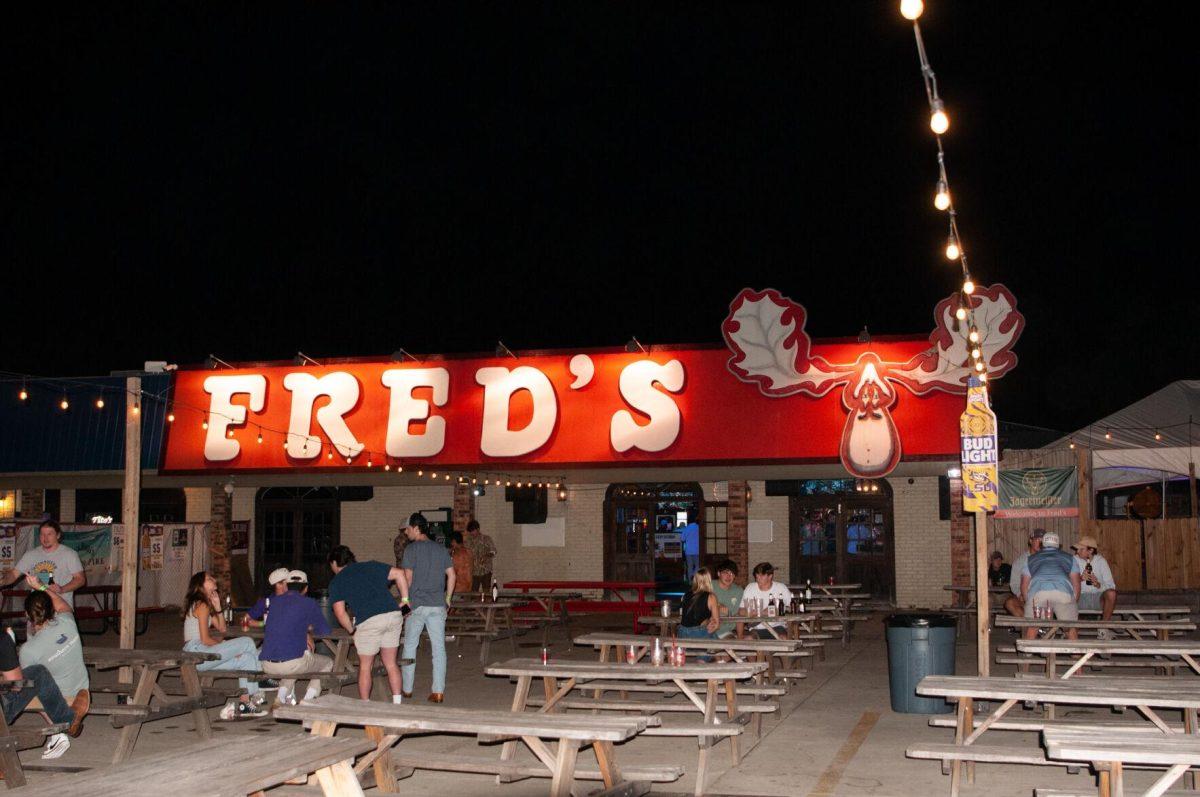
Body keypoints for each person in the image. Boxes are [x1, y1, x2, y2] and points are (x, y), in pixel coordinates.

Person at [327, 544, 410, 703]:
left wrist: (352, 630)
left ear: (335, 563)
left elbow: (340, 613)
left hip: (369, 620)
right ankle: (397, 704)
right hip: (393, 615)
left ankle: (365, 705)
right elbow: (400, 573)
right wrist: (405, 601)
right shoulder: (371, 565)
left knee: (365, 666)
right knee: (391, 663)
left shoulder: (337, 581)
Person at [182, 571, 267, 719]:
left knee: (246, 659)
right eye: (209, 579)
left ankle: (244, 703)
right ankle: (261, 681)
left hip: (201, 656)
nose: (213, 579)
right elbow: (205, 639)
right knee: (246, 641)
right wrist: (230, 649)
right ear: (200, 586)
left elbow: (222, 629)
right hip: (195, 654)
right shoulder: (201, 604)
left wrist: (218, 606)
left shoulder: (206, 604)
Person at [19, 574, 90, 737]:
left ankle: (58, 728)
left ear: (27, 615)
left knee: (18, 686)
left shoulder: (28, 649)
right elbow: (63, 605)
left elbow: (27, 686)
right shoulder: (67, 622)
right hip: (82, 690)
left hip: (59, 699)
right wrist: (41, 586)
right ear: (52, 609)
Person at [248, 569, 331, 706]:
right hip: (292, 663)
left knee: (294, 659)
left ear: (286, 585)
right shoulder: (309, 603)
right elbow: (324, 630)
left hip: (266, 664)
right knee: (327, 662)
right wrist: (308, 628)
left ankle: (280, 697)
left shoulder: (271, 603)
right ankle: (309, 700)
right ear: (306, 588)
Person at [2, 623, 79, 760]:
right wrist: (9, 652)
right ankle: (68, 720)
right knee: (38, 674)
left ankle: (61, 728)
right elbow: (16, 685)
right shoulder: (2, 638)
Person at [400, 512, 455, 703]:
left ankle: (407, 688)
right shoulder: (441, 549)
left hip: (417, 605)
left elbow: (408, 578)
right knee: (439, 648)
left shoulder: (411, 550)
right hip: (438, 605)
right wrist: (447, 598)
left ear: (416, 528)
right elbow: (452, 575)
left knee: (409, 645)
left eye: (407, 529)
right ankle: (438, 691)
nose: (406, 533)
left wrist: (405, 602)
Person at [3, 519, 86, 608]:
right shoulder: (31, 554)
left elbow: (80, 580)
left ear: (58, 535)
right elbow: (13, 575)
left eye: (49, 534)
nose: (45, 538)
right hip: (37, 610)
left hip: (61, 608)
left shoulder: (70, 554)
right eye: (42, 534)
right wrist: (2, 580)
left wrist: (62, 589)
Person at [1020, 531, 1082, 641]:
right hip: (1063, 593)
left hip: (1038, 593)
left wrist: (1029, 602)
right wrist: (1072, 603)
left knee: (1033, 626)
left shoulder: (1030, 559)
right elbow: (1076, 585)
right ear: (1058, 545)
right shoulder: (1070, 558)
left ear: (1042, 544)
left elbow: (1024, 586)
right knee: (1070, 628)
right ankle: (1075, 655)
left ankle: (1027, 653)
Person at [1072, 535, 1118, 638]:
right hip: (1080, 597)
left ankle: (1103, 628)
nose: (1077, 551)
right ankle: (1071, 631)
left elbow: (1111, 585)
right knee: (1065, 596)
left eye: (1081, 549)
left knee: (1111, 593)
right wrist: (1079, 579)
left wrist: (1098, 584)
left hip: (1098, 597)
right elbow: (1066, 583)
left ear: (1091, 550)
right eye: (1078, 549)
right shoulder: (1073, 560)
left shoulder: (1101, 561)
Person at [738, 562, 793, 639]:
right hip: (756, 627)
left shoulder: (781, 588)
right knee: (749, 639)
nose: (757, 578)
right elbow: (740, 611)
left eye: (761, 576)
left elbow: (790, 608)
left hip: (778, 626)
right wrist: (755, 612)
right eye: (756, 575)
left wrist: (779, 609)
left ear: (770, 576)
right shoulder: (750, 588)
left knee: (784, 638)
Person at [1004, 529, 1044, 618]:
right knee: (1010, 603)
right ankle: (1033, 627)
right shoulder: (1020, 561)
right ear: (1030, 541)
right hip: (1026, 595)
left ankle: (1036, 627)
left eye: (1042, 540)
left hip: (1043, 595)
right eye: (1037, 540)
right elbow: (1014, 584)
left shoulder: (1048, 558)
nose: (1040, 543)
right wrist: (1019, 594)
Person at [679, 568, 721, 641]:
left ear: (695, 580)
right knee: (720, 646)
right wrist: (707, 631)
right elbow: (716, 625)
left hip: (682, 632)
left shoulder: (686, 595)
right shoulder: (711, 597)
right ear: (709, 581)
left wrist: (708, 621)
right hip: (697, 633)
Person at [711, 559, 744, 638]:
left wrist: (740, 638)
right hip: (706, 629)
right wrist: (716, 605)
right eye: (725, 573)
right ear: (719, 573)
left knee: (731, 643)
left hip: (725, 631)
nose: (729, 576)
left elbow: (739, 615)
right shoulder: (709, 586)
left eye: (732, 573)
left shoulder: (738, 591)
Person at [464, 519, 497, 593]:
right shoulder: (468, 541)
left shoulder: (486, 539)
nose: (472, 533)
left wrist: (487, 555)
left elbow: (494, 551)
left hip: (486, 569)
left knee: (486, 591)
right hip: (474, 571)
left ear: (478, 529)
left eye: (473, 530)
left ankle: (486, 604)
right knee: (473, 591)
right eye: (470, 531)